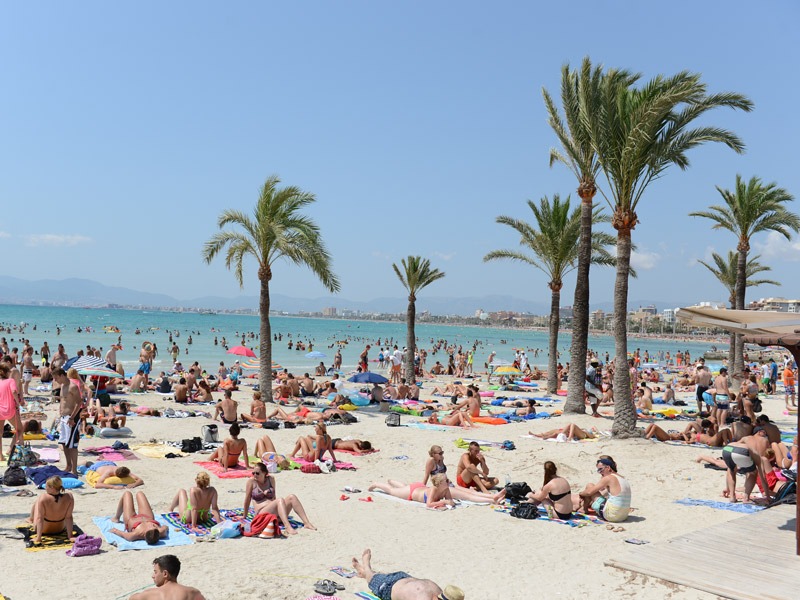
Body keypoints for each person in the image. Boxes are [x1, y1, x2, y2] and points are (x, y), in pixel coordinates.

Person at [351, 548, 463, 600]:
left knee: (375, 576)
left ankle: (363, 572)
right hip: (388, 587)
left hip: (404, 577)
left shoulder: (437, 589)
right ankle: (366, 565)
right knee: (371, 578)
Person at [243, 462, 316, 535]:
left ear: (264, 473)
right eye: (253, 473)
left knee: (292, 497)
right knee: (280, 500)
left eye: (257, 473)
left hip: (274, 512)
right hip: (261, 513)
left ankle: (307, 523)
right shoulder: (251, 482)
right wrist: (244, 516)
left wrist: (278, 508)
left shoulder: (271, 479)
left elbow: (274, 496)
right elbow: (247, 499)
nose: (255, 475)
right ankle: (287, 526)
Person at [721, 428, 772, 503]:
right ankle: (746, 498)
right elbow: (763, 478)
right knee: (753, 473)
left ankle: (732, 496)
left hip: (727, 448)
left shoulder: (746, 438)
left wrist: (727, 487)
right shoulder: (759, 456)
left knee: (731, 469)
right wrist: (767, 496)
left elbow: (736, 446)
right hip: (742, 452)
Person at [577, 455, 631, 523]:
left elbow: (589, 492)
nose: (600, 473)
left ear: (608, 467)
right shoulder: (622, 478)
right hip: (624, 516)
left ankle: (584, 509)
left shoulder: (608, 478)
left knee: (589, 486)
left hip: (611, 515)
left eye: (600, 469)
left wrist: (581, 493)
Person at [25, 475, 75, 545]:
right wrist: (70, 536)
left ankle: (30, 519)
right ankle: (30, 519)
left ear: (52, 487)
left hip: (44, 530)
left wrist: (38, 538)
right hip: (60, 529)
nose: (45, 488)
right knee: (40, 503)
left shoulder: (43, 497)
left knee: (37, 502)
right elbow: (69, 517)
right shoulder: (69, 497)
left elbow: (40, 519)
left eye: (46, 486)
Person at [129, 554, 206, 600]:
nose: (153, 576)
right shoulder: (192, 592)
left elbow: (132, 598)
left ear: (165, 574)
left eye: (155, 572)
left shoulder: (150, 594)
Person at [53, 367, 82, 475]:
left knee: (72, 445)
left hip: (72, 417)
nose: (55, 380)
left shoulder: (72, 386)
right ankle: (68, 465)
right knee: (64, 443)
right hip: (63, 418)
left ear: (62, 375)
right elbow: (63, 401)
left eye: (56, 378)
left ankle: (74, 469)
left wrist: (72, 418)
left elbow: (79, 403)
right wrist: (60, 414)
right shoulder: (62, 386)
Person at [369, 474, 455, 510]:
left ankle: (391, 481)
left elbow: (450, 501)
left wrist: (449, 502)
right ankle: (376, 484)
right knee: (392, 491)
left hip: (419, 488)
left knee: (404, 487)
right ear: (440, 484)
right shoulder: (434, 489)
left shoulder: (445, 489)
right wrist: (444, 501)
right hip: (412, 492)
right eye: (446, 480)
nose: (449, 481)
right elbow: (429, 504)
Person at [0, 361, 23, 459]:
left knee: (0, 433)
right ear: (7, 372)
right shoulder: (10, 381)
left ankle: (0, 455)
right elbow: (14, 391)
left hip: (0, 410)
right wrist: (17, 403)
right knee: (20, 429)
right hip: (10, 410)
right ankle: (10, 449)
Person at [530, 423, 596, 442]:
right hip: (577, 433)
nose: (592, 429)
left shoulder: (588, 432)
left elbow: (591, 437)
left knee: (572, 424)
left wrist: (587, 431)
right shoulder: (582, 429)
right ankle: (540, 435)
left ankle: (569, 438)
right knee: (556, 430)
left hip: (583, 435)